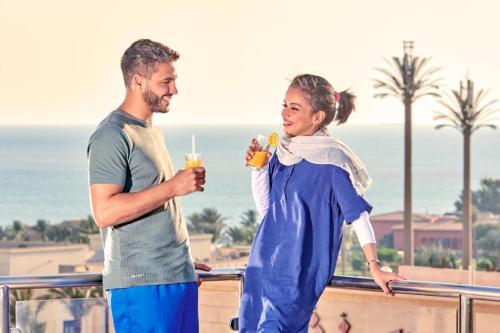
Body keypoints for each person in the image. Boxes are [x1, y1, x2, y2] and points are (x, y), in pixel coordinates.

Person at [239, 74, 405, 332]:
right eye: (284, 105)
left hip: (296, 273)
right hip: (262, 263)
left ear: (316, 117)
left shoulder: (332, 161)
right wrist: (258, 168)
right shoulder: (284, 152)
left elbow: (358, 216)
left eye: (294, 108)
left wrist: (375, 266)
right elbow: (267, 210)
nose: (285, 113)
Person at [87, 39, 210, 333]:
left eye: (174, 80)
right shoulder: (112, 135)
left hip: (175, 279)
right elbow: (104, 211)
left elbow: (156, 210)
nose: (174, 89)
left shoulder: (152, 133)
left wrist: (179, 262)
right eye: (166, 81)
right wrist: (174, 186)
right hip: (141, 286)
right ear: (137, 81)